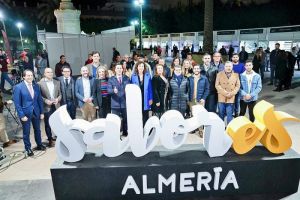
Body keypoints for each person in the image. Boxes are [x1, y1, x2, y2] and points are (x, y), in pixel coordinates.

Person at [13, 69, 46, 156]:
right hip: (25, 114)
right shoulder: (18, 87)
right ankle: (28, 148)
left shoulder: (36, 86)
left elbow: (39, 100)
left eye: (31, 75)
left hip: (36, 112)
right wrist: (21, 115)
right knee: (26, 132)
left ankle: (39, 144)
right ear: (24, 76)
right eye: (28, 75)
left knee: (37, 130)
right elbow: (17, 103)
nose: (30, 77)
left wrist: (42, 112)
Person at [38, 68, 61, 147]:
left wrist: (58, 99)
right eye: (48, 72)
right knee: (47, 124)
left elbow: (60, 94)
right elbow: (39, 96)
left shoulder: (57, 82)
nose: (50, 74)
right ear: (44, 74)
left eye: (51, 72)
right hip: (46, 106)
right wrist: (45, 101)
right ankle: (50, 139)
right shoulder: (40, 83)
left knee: (57, 123)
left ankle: (59, 137)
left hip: (56, 106)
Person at [108, 64, 130, 136]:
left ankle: (125, 132)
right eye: (118, 68)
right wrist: (113, 91)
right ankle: (116, 133)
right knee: (115, 120)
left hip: (125, 102)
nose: (119, 69)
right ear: (115, 70)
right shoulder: (111, 79)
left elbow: (129, 89)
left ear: (122, 69)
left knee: (125, 119)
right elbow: (109, 90)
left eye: (120, 68)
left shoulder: (127, 78)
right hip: (115, 103)